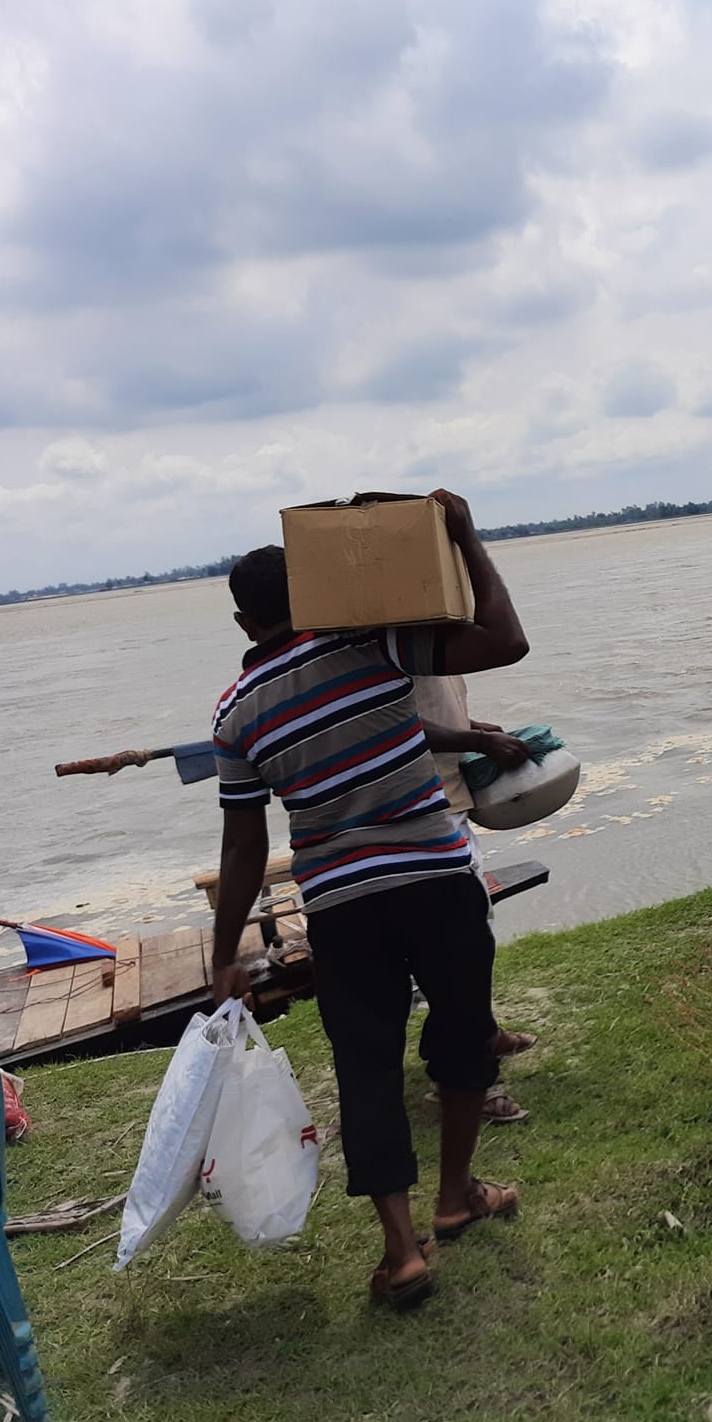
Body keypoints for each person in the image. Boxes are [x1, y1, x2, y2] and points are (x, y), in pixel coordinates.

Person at [207, 489, 529, 1311]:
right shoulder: (373, 646)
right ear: (316, 592)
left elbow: (243, 846)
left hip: (344, 909)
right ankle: (456, 1198)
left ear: (245, 625)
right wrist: (462, 534)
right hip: (436, 881)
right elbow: (505, 640)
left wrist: (225, 956)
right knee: (463, 1039)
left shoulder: (235, 714)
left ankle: (403, 1252)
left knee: (367, 1070)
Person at [416, 675, 540, 1123]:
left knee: (475, 934)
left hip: (448, 802)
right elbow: (393, 723)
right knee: (456, 951)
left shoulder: (431, 644)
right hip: (425, 812)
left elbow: (432, 711)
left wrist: (476, 730)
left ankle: (480, 1035)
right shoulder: (393, 641)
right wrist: (477, 740)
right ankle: (462, 1081)